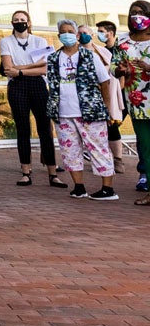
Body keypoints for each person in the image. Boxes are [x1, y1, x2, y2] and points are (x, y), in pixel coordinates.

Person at [45, 20, 117, 201]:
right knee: (70, 151)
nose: (67, 34)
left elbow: (104, 82)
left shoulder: (89, 56)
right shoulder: (53, 58)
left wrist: (107, 108)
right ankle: (78, 187)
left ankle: (107, 189)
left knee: (99, 148)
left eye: (70, 31)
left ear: (77, 35)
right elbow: (52, 85)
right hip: (63, 113)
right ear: (58, 36)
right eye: (63, 32)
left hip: (90, 111)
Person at [0, 10, 60, 187]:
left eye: (22, 20)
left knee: (45, 129)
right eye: (16, 20)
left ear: (29, 22)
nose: (19, 22)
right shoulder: (6, 41)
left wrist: (21, 70)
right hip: (17, 87)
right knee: (23, 129)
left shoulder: (39, 41)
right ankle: (26, 172)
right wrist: (28, 68)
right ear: (12, 23)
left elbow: (45, 69)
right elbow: (8, 68)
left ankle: (53, 173)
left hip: (38, 85)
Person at [113, 0, 150, 197]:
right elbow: (113, 66)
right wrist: (120, 69)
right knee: (145, 145)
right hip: (137, 102)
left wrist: (148, 68)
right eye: (133, 13)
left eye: (142, 12)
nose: (137, 16)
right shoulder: (122, 41)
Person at [94, 20, 128, 173]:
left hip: (123, 94)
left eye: (101, 31)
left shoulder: (121, 49)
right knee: (109, 125)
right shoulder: (100, 51)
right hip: (108, 93)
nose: (99, 34)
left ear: (111, 33)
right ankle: (112, 159)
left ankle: (118, 159)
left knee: (113, 124)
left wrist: (118, 90)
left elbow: (122, 74)